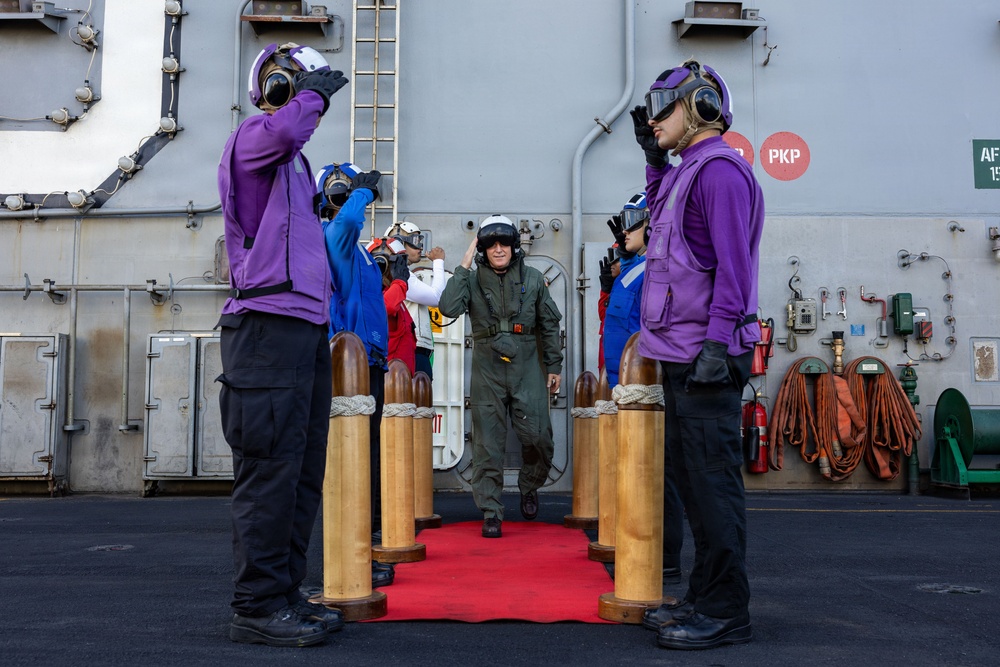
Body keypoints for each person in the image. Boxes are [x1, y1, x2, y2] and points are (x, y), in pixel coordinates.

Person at [215, 42, 348, 647]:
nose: (300, 95)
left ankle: (286, 591)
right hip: (265, 328)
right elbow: (289, 123)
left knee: (300, 470)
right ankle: (257, 605)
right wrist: (313, 88)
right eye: (288, 83)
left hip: (300, 328)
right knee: (269, 471)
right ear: (270, 88)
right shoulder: (254, 139)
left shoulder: (293, 165)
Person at [632, 61, 764, 650]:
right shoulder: (687, 171)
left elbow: (735, 269)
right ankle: (702, 595)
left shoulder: (721, 174)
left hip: (707, 357)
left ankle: (727, 609)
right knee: (692, 485)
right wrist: (654, 159)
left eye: (666, 106)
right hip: (682, 356)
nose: (653, 117)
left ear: (703, 107)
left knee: (713, 489)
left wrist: (717, 342)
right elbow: (661, 219)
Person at [438, 215, 563, 538]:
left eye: (503, 243)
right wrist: (465, 262)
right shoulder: (472, 278)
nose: (497, 249)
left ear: (513, 246)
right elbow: (449, 308)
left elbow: (549, 324)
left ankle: (530, 486)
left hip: (527, 364)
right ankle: (492, 511)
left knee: (538, 435)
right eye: (489, 244)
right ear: (481, 248)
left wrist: (554, 366)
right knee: (487, 443)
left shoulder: (533, 279)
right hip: (487, 365)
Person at [315, 160, 395, 589]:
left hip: (371, 361)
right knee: (354, 461)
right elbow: (346, 219)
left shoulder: (359, 249)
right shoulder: (336, 236)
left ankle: (365, 549)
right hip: (351, 365)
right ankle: (354, 554)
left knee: (368, 459)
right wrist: (363, 192)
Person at [604, 193, 685, 587]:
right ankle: (637, 548)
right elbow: (620, 322)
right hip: (626, 388)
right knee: (634, 473)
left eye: (633, 222)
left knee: (656, 474)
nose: (624, 230)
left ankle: (664, 557)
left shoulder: (655, 269)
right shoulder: (633, 269)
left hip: (648, 391)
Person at [384, 222, 447, 380]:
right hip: (413, 351)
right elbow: (436, 297)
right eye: (415, 242)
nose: (420, 248)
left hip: (415, 349)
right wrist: (438, 262)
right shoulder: (403, 277)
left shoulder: (403, 276)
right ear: (400, 243)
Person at [369, 236, 417, 375]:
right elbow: (384, 307)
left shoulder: (395, 296)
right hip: (389, 382)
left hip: (401, 381)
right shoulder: (374, 295)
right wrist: (400, 283)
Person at [596, 246, 619, 375]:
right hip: (607, 351)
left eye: (617, 259)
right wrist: (605, 290)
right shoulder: (613, 287)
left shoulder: (633, 282)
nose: (612, 264)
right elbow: (603, 317)